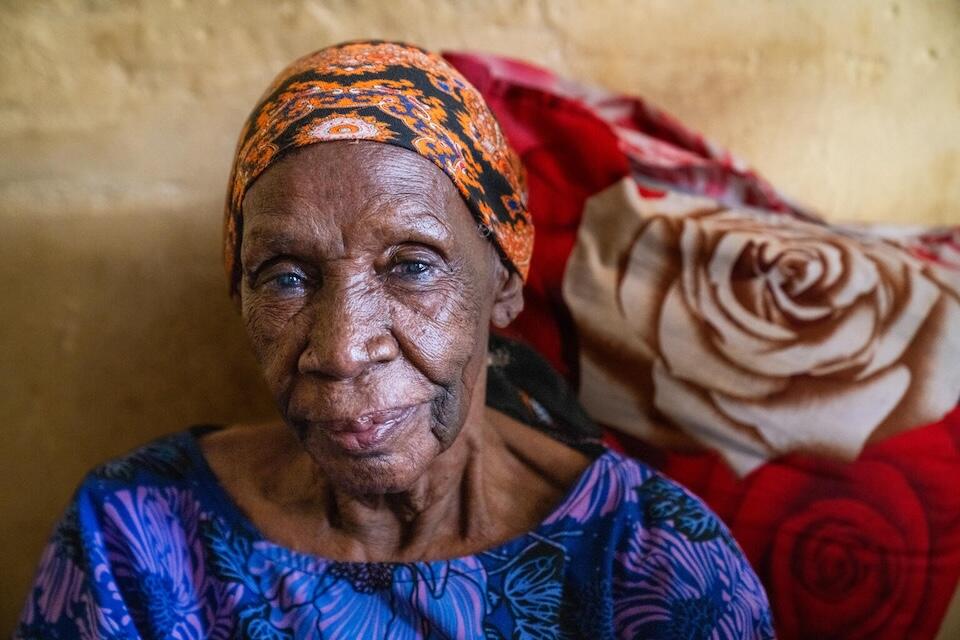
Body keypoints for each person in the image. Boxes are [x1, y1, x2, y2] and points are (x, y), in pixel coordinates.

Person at [16, 41, 773, 639]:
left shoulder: (657, 569)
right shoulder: (138, 541)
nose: (342, 350)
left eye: (411, 266)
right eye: (284, 277)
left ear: (504, 282)